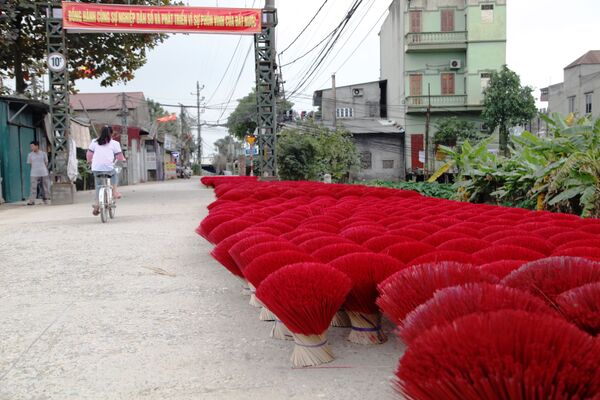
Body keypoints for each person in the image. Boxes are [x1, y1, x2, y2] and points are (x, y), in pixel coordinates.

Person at [87, 126, 126, 216]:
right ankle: (115, 192)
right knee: (114, 174)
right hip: (109, 168)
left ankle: (97, 205)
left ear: (100, 133)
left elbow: (89, 154)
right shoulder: (114, 143)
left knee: (98, 185)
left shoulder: (94, 142)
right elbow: (119, 156)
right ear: (111, 133)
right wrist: (123, 159)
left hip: (96, 168)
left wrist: (89, 161)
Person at [27, 140, 50, 205]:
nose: (31, 148)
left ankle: (46, 200)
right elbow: (30, 164)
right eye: (30, 146)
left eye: (32, 146)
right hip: (34, 173)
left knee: (44, 187)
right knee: (33, 187)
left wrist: (43, 169)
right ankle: (32, 201)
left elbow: (46, 162)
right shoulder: (30, 155)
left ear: (37, 146)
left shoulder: (43, 154)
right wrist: (34, 169)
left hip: (43, 173)